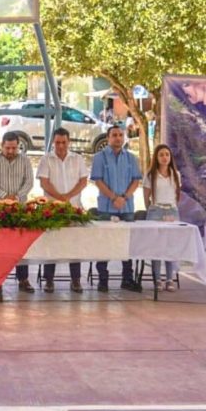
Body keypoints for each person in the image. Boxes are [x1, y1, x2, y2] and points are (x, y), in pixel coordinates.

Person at [89, 125, 143, 292]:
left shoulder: (131, 158)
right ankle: (103, 280)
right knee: (104, 244)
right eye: (114, 135)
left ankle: (127, 278)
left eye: (121, 135)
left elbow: (136, 180)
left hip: (126, 207)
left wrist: (124, 198)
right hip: (106, 207)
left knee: (126, 244)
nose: (118, 138)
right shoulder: (99, 157)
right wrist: (113, 198)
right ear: (108, 137)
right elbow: (97, 180)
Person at [36, 128, 87, 293]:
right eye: (57, 142)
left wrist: (68, 196)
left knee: (75, 246)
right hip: (52, 210)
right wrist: (59, 198)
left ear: (69, 142)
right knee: (51, 246)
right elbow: (44, 183)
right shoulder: (46, 159)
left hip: (74, 209)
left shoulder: (77, 159)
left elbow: (83, 181)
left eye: (63, 142)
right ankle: (49, 281)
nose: (60, 145)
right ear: (53, 143)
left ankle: (76, 280)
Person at [0, 131, 35, 292]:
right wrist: (5, 196)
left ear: (18, 146)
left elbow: (29, 182)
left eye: (14, 148)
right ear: (2, 146)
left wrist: (17, 197)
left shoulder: (25, 160)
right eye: (8, 148)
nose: (11, 151)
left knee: (21, 246)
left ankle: (23, 279)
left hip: (19, 209)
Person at [143, 144, 182, 292]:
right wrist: (151, 209)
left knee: (170, 246)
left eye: (167, 154)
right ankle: (157, 278)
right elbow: (146, 196)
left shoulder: (175, 174)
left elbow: (177, 195)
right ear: (156, 157)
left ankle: (169, 278)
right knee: (156, 247)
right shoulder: (150, 175)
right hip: (156, 210)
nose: (164, 157)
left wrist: (172, 209)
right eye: (161, 155)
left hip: (171, 211)